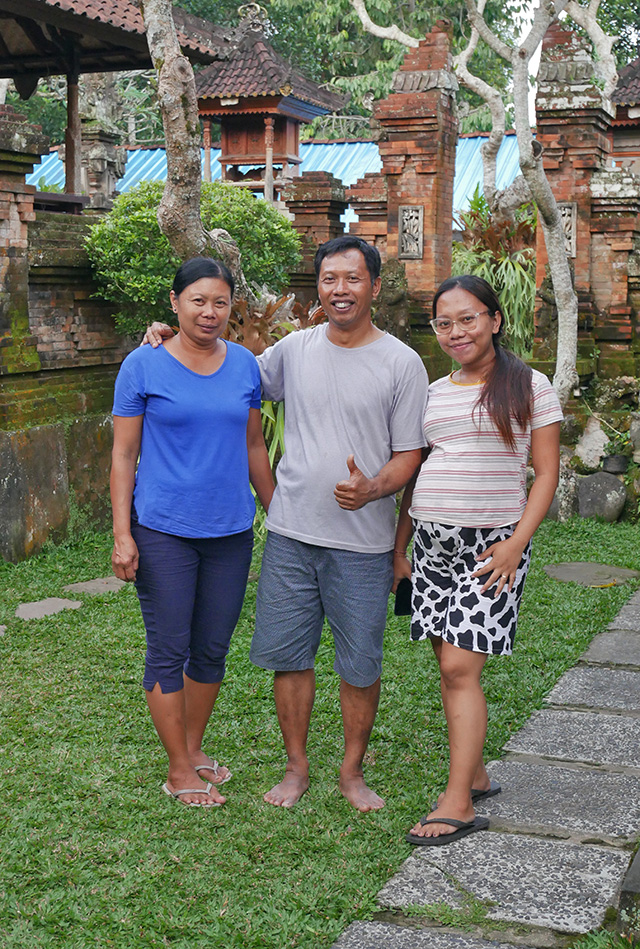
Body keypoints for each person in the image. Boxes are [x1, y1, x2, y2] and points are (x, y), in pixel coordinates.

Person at [145, 236, 428, 811]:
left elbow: (410, 455)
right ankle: (296, 767)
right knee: (289, 656)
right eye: (329, 279)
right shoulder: (291, 352)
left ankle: (351, 771)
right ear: (317, 288)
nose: (340, 290)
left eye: (352, 279)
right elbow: (221, 370)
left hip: (364, 541)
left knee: (360, 662)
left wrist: (373, 486)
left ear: (373, 285)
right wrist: (165, 338)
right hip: (292, 539)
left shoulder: (403, 362)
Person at [393, 274, 562, 845]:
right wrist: (402, 551)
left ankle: (458, 801)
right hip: (430, 543)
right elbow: (417, 472)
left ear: (494, 319)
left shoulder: (530, 385)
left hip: (492, 547)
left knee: (459, 669)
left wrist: (516, 544)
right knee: (448, 666)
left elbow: (546, 474)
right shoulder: (436, 391)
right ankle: (478, 772)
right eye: (444, 322)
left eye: (468, 318)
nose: (456, 331)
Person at [110, 257, 274, 808]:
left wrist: (279, 512)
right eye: (198, 300)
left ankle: (195, 747)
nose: (209, 312)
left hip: (230, 529)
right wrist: (121, 533)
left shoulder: (246, 366)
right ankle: (179, 769)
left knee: (210, 648)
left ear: (232, 307)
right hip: (162, 530)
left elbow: (254, 446)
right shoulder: (143, 365)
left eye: (220, 302)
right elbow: (123, 453)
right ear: (175, 302)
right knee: (169, 647)